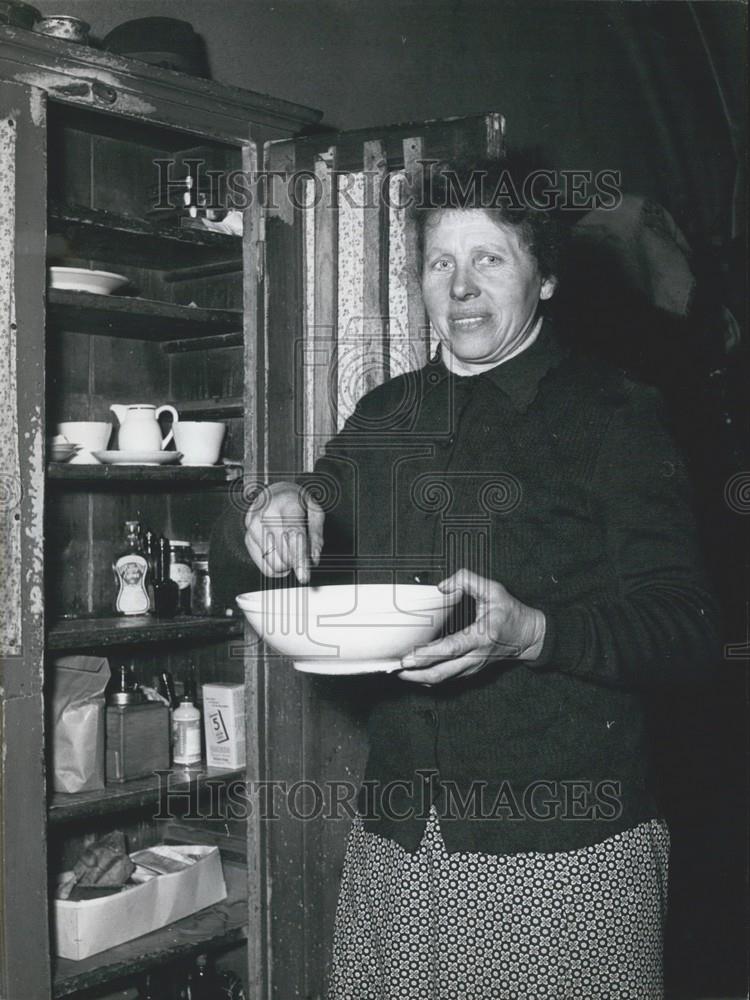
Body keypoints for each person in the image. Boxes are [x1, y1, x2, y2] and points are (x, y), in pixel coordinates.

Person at [210, 158, 718, 999]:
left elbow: (688, 626)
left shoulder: (615, 414)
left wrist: (537, 633)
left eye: (491, 258)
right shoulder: (389, 413)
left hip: (563, 854)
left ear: (546, 278)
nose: (462, 286)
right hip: (401, 844)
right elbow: (287, 516)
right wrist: (276, 502)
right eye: (441, 261)